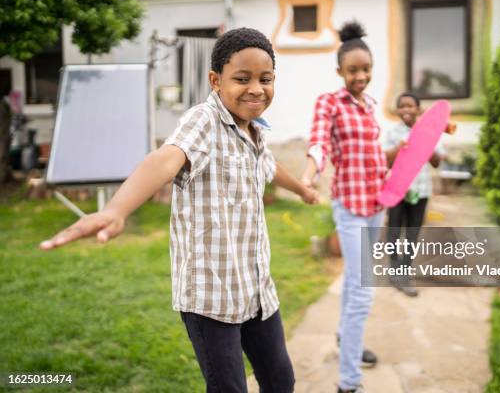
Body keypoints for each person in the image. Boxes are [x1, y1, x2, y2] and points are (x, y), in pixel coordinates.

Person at [40, 27, 319, 393]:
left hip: (256, 290)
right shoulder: (203, 120)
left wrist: (302, 189)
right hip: (210, 297)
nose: (256, 89)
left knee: (281, 379)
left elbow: (269, 166)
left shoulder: (255, 131)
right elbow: (165, 159)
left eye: (265, 79)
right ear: (215, 81)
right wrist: (117, 209)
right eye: (242, 78)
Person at [301, 21, 386, 393]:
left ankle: (345, 339)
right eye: (353, 70)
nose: (361, 76)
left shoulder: (370, 106)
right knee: (363, 288)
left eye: (366, 69)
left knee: (355, 285)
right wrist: (309, 172)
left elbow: (375, 157)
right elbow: (319, 142)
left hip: (376, 206)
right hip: (350, 209)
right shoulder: (329, 103)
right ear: (340, 72)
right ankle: (349, 383)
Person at [383, 92, 446, 297]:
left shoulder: (430, 131)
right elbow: (386, 161)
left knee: (412, 233)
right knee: (393, 231)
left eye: (411, 106)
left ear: (418, 110)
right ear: (398, 110)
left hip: (421, 190)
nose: (406, 110)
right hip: (397, 191)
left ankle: (404, 273)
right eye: (402, 106)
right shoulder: (393, 133)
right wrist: (398, 148)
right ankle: (394, 270)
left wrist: (426, 143)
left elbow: (437, 162)